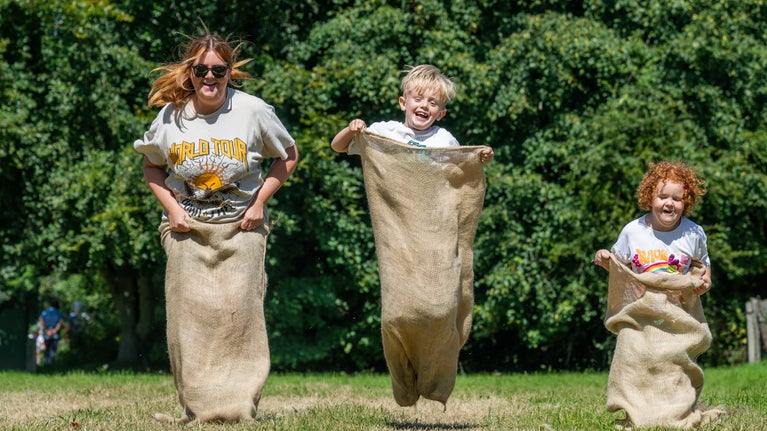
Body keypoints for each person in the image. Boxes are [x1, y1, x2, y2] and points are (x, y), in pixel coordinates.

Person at [134, 30, 298, 424]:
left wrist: (260, 203)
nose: (210, 77)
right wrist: (172, 209)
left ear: (229, 73)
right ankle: (198, 406)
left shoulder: (253, 111)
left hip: (242, 226)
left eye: (219, 70)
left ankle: (240, 405)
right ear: (189, 72)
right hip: (186, 229)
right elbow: (151, 165)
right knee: (189, 318)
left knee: (239, 315)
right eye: (201, 69)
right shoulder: (171, 116)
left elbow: (288, 156)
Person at [331, 64, 494, 163]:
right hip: (389, 214)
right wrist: (351, 130)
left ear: (440, 114)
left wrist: (482, 158)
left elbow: (463, 170)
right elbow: (338, 146)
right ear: (403, 103)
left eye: (433, 103)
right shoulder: (384, 132)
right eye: (418, 99)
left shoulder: (444, 140)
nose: (424, 106)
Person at [593, 160, 711, 294]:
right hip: (641, 309)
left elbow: (703, 262)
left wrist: (705, 280)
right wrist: (602, 257)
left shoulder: (693, 233)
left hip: (679, 311)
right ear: (650, 198)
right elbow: (617, 266)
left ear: (686, 202)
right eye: (662, 197)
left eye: (677, 199)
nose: (669, 203)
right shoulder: (633, 231)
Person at [38, 299, 64, 365]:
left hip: (46, 333)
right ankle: (51, 362)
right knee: (53, 347)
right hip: (55, 333)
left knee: (46, 346)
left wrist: (47, 330)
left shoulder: (45, 312)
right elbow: (60, 322)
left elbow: (41, 320)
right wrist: (54, 330)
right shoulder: (59, 312)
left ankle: (46, 361)